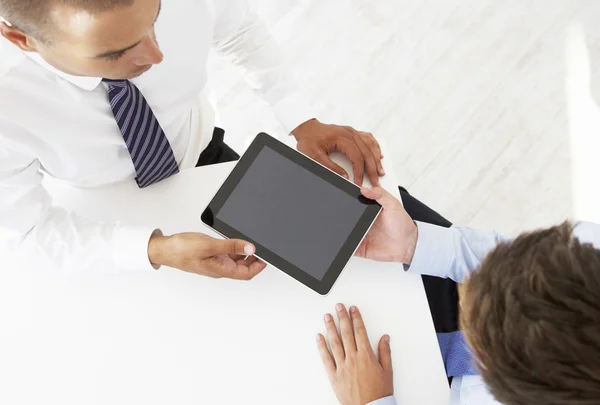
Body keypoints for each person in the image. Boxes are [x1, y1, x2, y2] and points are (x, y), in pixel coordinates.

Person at [0, 0, 384, 277]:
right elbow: (28, 231)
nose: (156, 55)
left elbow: (239, 28)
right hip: (103, 219)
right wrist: (154, 250)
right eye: (116, 53)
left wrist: (300, 119)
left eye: (155, 18)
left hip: (204, 157)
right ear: (21, 39)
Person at [317, 186, 600, 405]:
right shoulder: (587, 251)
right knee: (364, 203)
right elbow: (507, 255)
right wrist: (415, 243)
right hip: (467, 301)